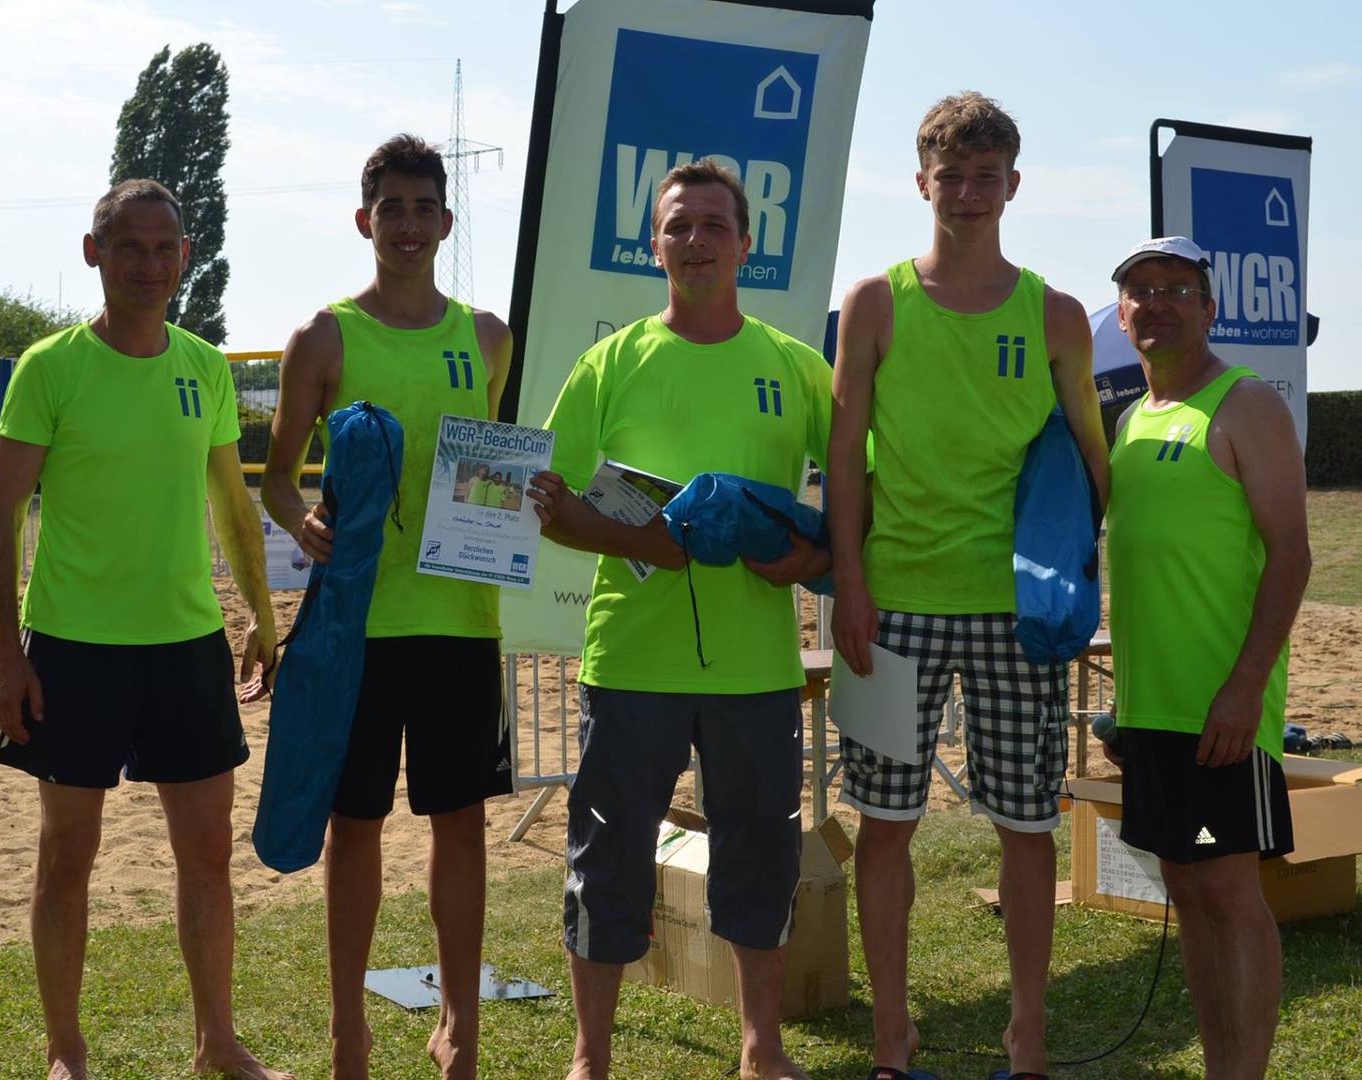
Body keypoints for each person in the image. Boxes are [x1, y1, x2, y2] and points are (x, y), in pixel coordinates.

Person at [825, 91, 1110, 1080]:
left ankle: (1025, 1039)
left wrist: (1069, 573)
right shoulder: (873, 303)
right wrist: (848, 582)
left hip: (1013, 615)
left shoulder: (1056, 315)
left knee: (1025, 829)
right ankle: (891, 1039)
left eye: (986, 176)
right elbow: (843, 455)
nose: (968, 193)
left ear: (1013, 185)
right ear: (921, 183)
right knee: (883, 827)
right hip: (890, 607)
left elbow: (1091, 461)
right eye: (950, 176)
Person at [527, 157, 832, 1080]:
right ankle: (590, 1057)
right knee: (607, 859)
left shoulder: (795, 366)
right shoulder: (610, 363)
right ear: (653, 245)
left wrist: (813, 560)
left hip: (755, 667)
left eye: (712, 225)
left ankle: (760, 1046)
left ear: (745, 243)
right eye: (677, 226)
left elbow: (850, 501)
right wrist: (650, 544)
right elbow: (551, 502)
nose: (695, 240)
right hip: (631, 662)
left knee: (760, 856)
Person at [0, 178, 288, 1080]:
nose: (148, 266)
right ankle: (67, 1052)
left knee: (207, 855)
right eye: (129, 248)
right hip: (71, 648)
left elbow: (231, 505)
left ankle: (217, 1044)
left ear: (184, 257)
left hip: (185, 647)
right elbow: (0, 516)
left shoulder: (204, 367)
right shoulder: (51, 368)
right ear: (94, 253)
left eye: (164, 250)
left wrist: (262, 614)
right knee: (67, 854)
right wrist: (4, 656)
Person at [261, 133, 514, 1080]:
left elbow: (486, 468)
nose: (408, 225)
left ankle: (459, 1024)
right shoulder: (323, 337)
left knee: (461, 824)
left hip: (457, 620)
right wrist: (301, 520)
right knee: (354, 826)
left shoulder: (486, 337)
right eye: (391, 209)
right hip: (354, 628)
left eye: (423, 209)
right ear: (364, 220)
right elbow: (278, 479)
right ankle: (347, 1032)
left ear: (446, 222)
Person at [1103, 236, 1310, 1080]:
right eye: (1140, 290)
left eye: (1176, 289)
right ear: (1121, 315)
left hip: (1221, 710)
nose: (1156, 302)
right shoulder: (1129, 420)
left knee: (1227, 892)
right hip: (1150, 707)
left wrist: (1245, 687)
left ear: (1208, 310)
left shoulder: (1245, 403)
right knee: (1185, 892)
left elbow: (1290, 555)